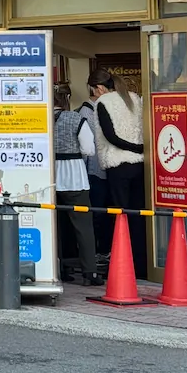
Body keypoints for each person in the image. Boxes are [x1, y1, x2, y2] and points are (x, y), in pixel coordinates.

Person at [95, 73, 146, 276]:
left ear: (100, 88)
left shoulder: (104, 102)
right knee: (139, 215)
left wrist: (131, 147)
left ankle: (124, 266)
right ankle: (142, 265)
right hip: (139, 164)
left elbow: (110, 136)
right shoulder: (135, 98)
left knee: (120, 215)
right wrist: (140, 149)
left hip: (118, 164)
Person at [53, 86, 102, 286]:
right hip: (74, 176)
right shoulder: (75, 118)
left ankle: (59, 268)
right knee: (83, 227)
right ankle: (90, 272)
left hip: (49, 177)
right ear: (66, 98)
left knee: (55, 227)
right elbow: (89, 149)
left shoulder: (40, 119)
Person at [79, 71, 113, 257]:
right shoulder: (87, 112)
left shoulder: (100, 107)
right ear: (99, 89)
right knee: (98, 214)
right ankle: (99, 252)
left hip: (104, 168)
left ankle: (103, 250)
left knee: (105, 213)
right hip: (94, 170)